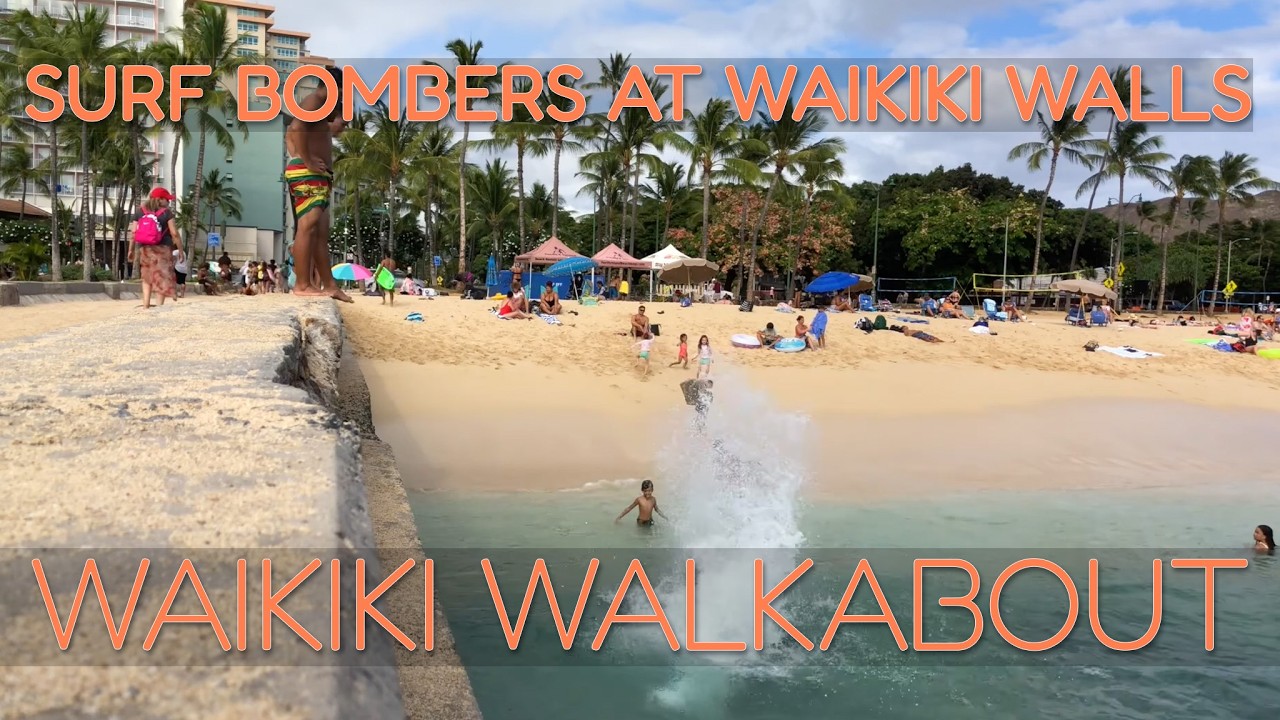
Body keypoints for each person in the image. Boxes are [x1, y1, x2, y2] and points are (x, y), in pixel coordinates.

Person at [285, 64, 352, 302]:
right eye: (341, 91)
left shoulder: (325, 107)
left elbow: (324, 127)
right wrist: (307, 159)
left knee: (320, 232)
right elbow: (295, 128)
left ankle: (329, 285)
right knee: (308, 225)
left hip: (318, 175)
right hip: (307, 172)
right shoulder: (314, 101)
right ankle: (302, 284)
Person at [126, 187, 182, 309]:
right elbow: (174, 233)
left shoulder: (140, 211)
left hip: (145, 249)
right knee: (161, 276)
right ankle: (159, 306)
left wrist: (130, 250)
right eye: (167, 199)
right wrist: (180, 250)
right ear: (160, 199)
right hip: (163, 249)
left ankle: (146, 304)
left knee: (146, 276)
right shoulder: (167, 213)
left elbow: (134, 233)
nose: (168, 202)